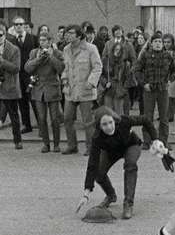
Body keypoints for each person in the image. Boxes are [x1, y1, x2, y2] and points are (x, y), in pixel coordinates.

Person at [78, 107, 162, 219]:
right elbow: (92, 164)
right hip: (111, 151)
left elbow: (145, 120)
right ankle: (111, 195)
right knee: (99, 172)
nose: (109, 127)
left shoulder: (124, 121)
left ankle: (128, 204)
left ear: (114, 120)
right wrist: (86, 194)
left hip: (131, 145)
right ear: (99, 126)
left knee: (130, 165)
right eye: (104, 124)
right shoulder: (97, 137)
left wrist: (155, 139)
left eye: (110, 122)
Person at [62, 24, 102, 156]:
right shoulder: (66, 49)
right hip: (70, 91)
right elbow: (66, 67)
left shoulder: (91, 48)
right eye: (67, 33)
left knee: (88, 122)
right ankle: (72, 145)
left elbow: (97, 67)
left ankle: (91, 147)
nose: (67, 35)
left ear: (79, 35)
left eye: (71, 33)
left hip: (85, 91)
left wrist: (91, 82)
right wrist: (64, 79)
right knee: (67, 118)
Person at [133, 32, 175, 149]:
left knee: (164, 117)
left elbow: (174, 70)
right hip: (149, 90)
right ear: (151, 44)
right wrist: (143, 84)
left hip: (163, 90)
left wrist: (170, 80)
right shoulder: (145, 55)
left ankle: (163, 141)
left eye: (160, 42)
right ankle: (147, 141)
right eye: (156, 42)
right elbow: (137, 70)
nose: (158, 44)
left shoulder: (168, 56)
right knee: (148, 117)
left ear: (163, 44)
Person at [25, 32, 64, 152]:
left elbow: (61, 68)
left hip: (52, 88)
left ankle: (56, 144)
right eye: (40, 40)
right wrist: (38, 59)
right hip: (38, 89)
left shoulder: (57, 53)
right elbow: (27, 68)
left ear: (50, 41)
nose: (41, 42)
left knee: (54, 119)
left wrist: (51, 56)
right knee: (41, 119)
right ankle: (46, 144)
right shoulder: (34, 52)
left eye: (44, 40)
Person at [10, 15, 38, 133]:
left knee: (35, 101)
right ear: (14, 27)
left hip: (31, 74)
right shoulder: (11, 41)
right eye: (16, 24)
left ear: (24, 25)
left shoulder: (33, 38)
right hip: (18, 76)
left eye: (21, 24)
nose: (19, 26)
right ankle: (27, 125)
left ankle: (41, 125)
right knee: (22, 102)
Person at [0, 22, 23, 149]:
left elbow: (16, 68)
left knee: (14, 116)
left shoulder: (14, 49)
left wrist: (2, 61)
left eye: (0, 34)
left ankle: (18, 140)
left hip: (9, 88)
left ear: (5, 34)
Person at [100, 41, 133, 117]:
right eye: (116, 49)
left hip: (119, 91)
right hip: (108, 89)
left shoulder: (125, 63)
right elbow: (101, 75)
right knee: (108, 113)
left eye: (119, 50)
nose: (117, 52)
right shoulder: (106, 61)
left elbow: (128, 78)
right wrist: (105, 83)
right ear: (112, 50)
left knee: (118, 114)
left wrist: (123, 89)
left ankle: (118, 128)